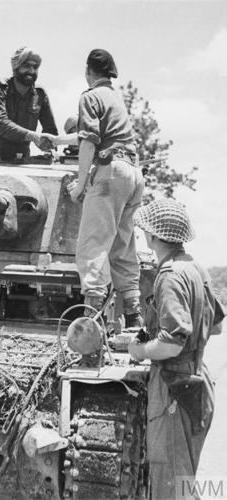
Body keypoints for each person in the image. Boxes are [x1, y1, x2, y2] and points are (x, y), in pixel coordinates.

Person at [129, 198, 223, 500]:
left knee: (168, 484)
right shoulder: (195, 267)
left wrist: (140, 351)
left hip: (173, 388)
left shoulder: (169, 275)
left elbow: (171, 343)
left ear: (154, 236)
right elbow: (217, 325)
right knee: (183, 479)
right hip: (197, 382)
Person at [45, 49, 144, 326]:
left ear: (88, 71)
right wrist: (56, 141)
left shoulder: (89, 96)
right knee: (122, 246)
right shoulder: (114, 97)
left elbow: (88, 141)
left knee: (92, 245)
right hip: (132, 175)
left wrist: (80, 185)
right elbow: (91, 135)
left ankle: (92, 320)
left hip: (110, 173)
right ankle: (135, 315)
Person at [0, 46, 58, 162]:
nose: (32, 71)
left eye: (35, 67)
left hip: (21, 159)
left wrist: (50, 147)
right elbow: (2, 124)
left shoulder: (40, 94)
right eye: (26, 66)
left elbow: (50, 130)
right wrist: (34, 136)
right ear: (15, 67)